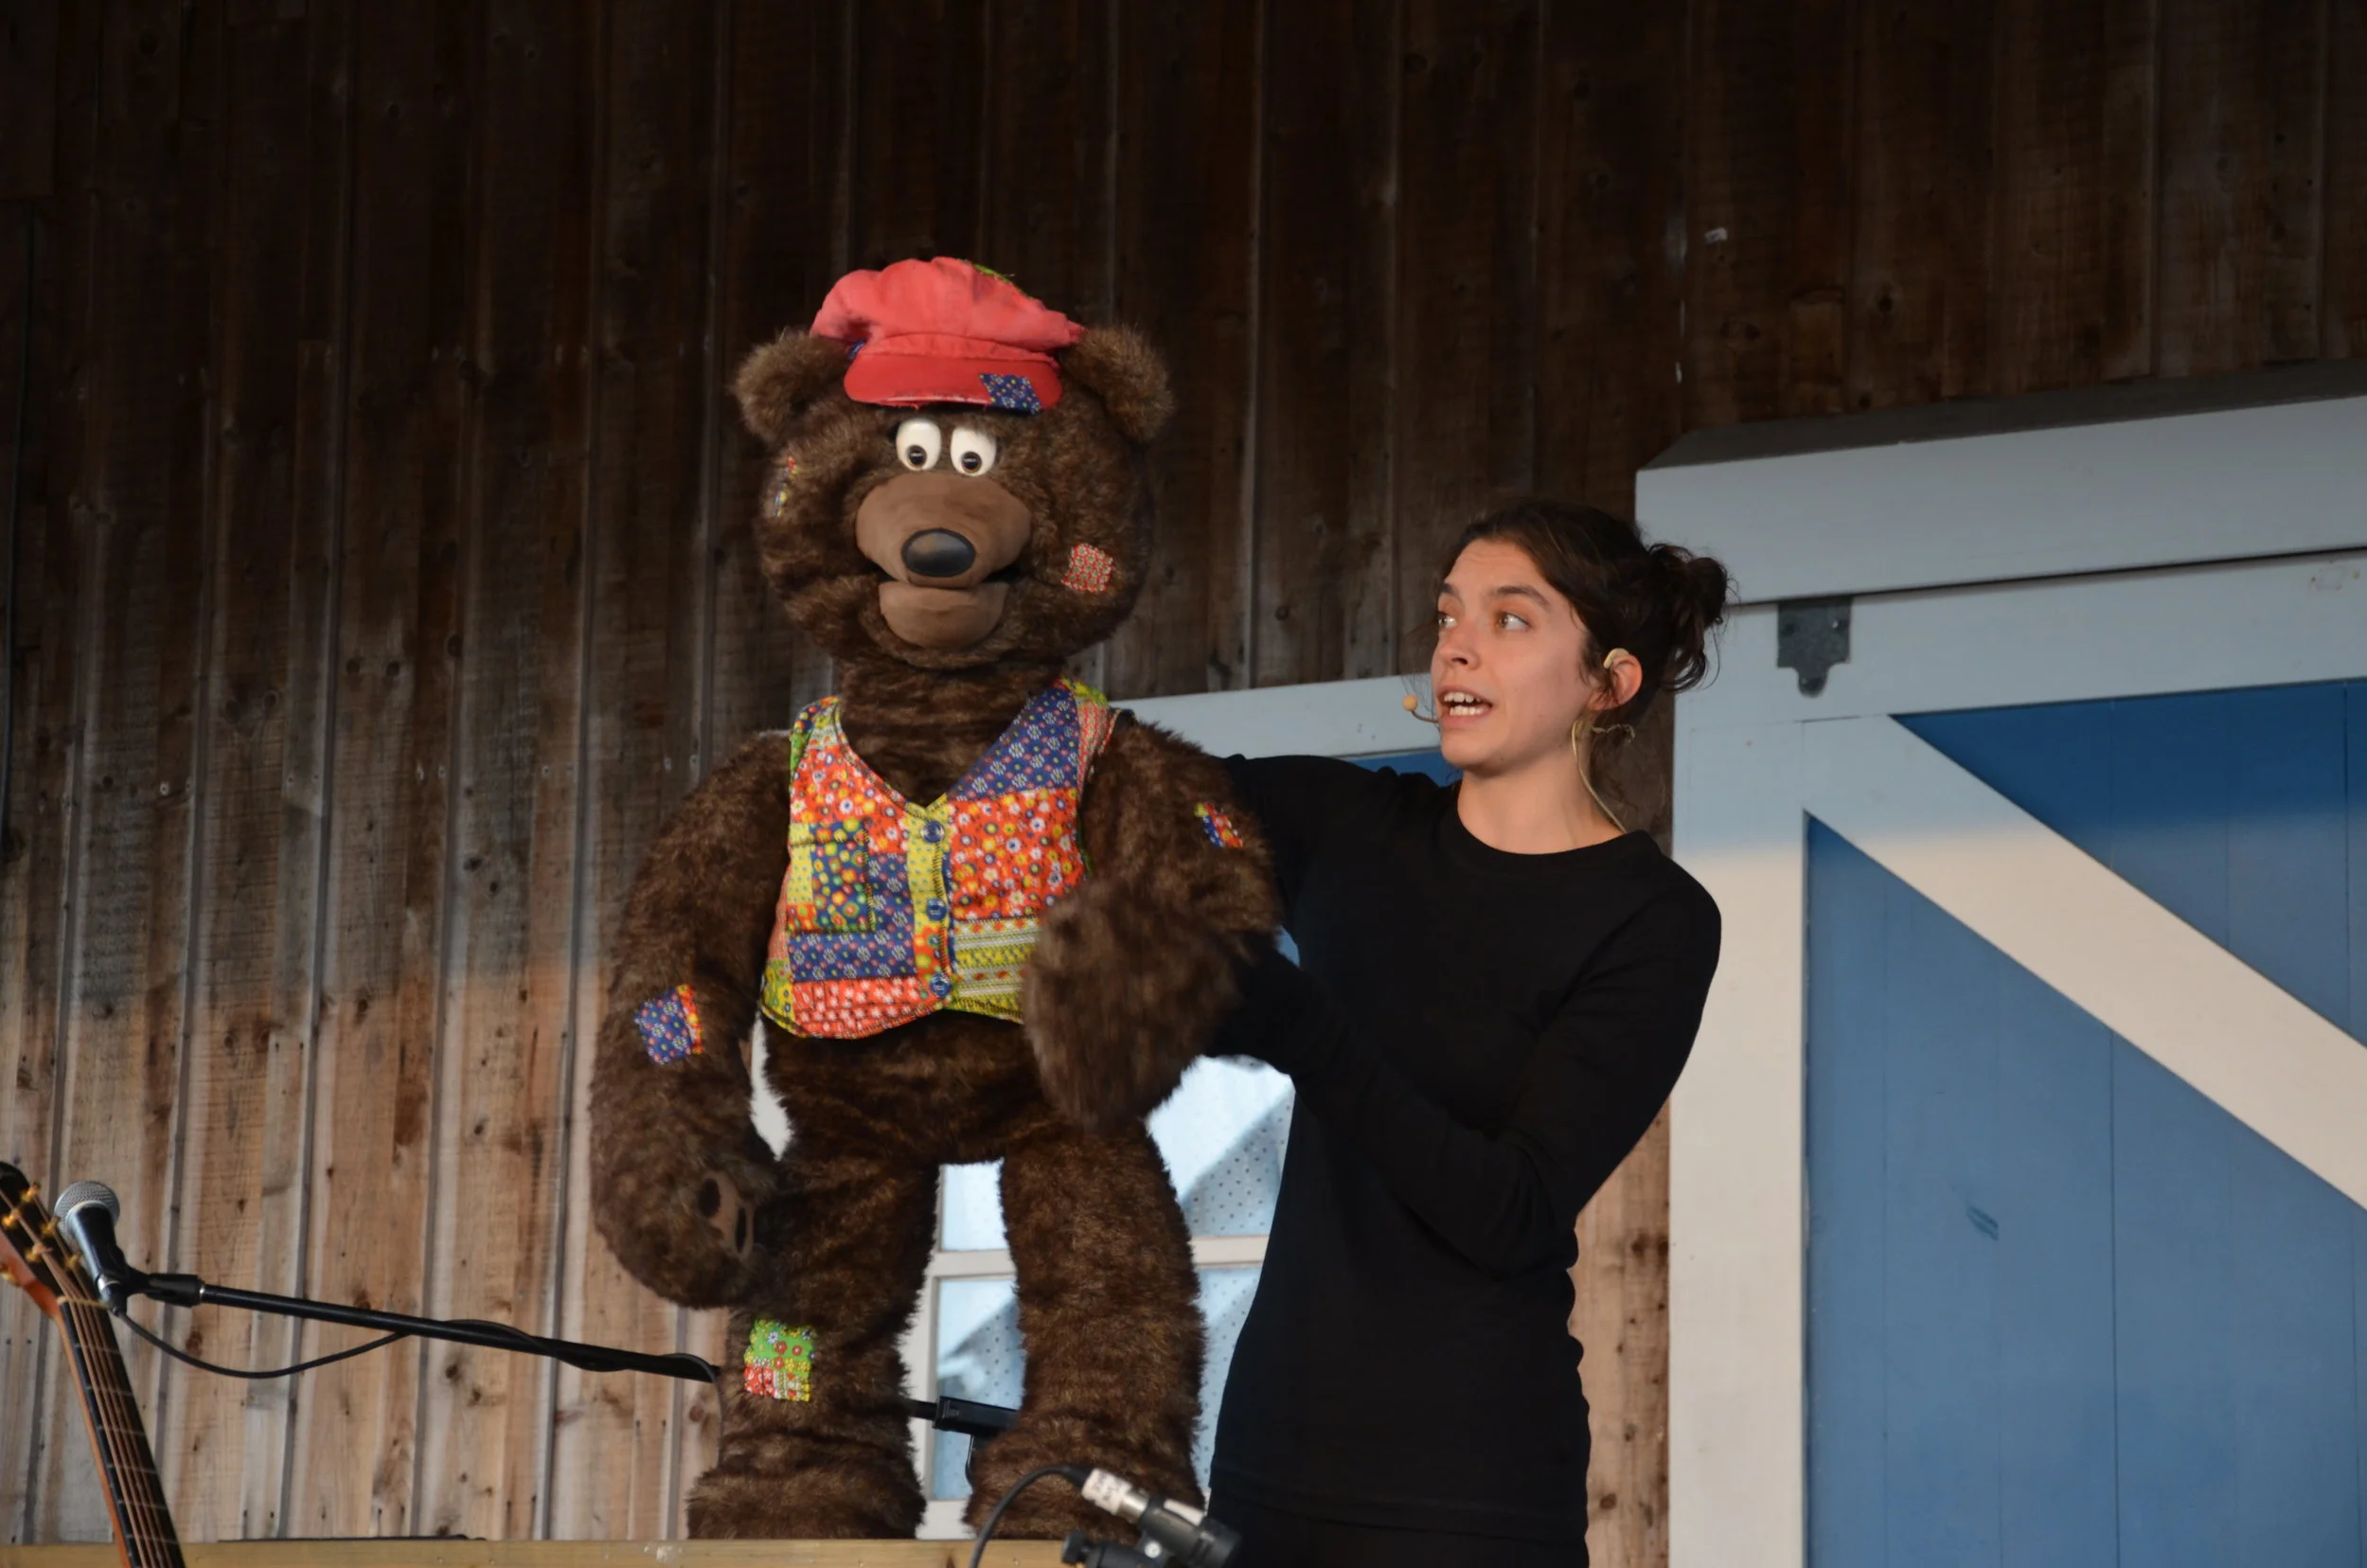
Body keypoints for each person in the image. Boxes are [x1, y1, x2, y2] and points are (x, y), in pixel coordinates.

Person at [1204, 499, 1731, 1567]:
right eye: (1449, 614)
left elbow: (1515, 1211)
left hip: (1468, 1481)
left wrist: (1300, 1025)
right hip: (1271, 1448)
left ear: (1607, 682)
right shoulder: (1343, 827)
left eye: (1510, 619)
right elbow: (1128, 792)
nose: (1455, 642)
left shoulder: (1652, 921)